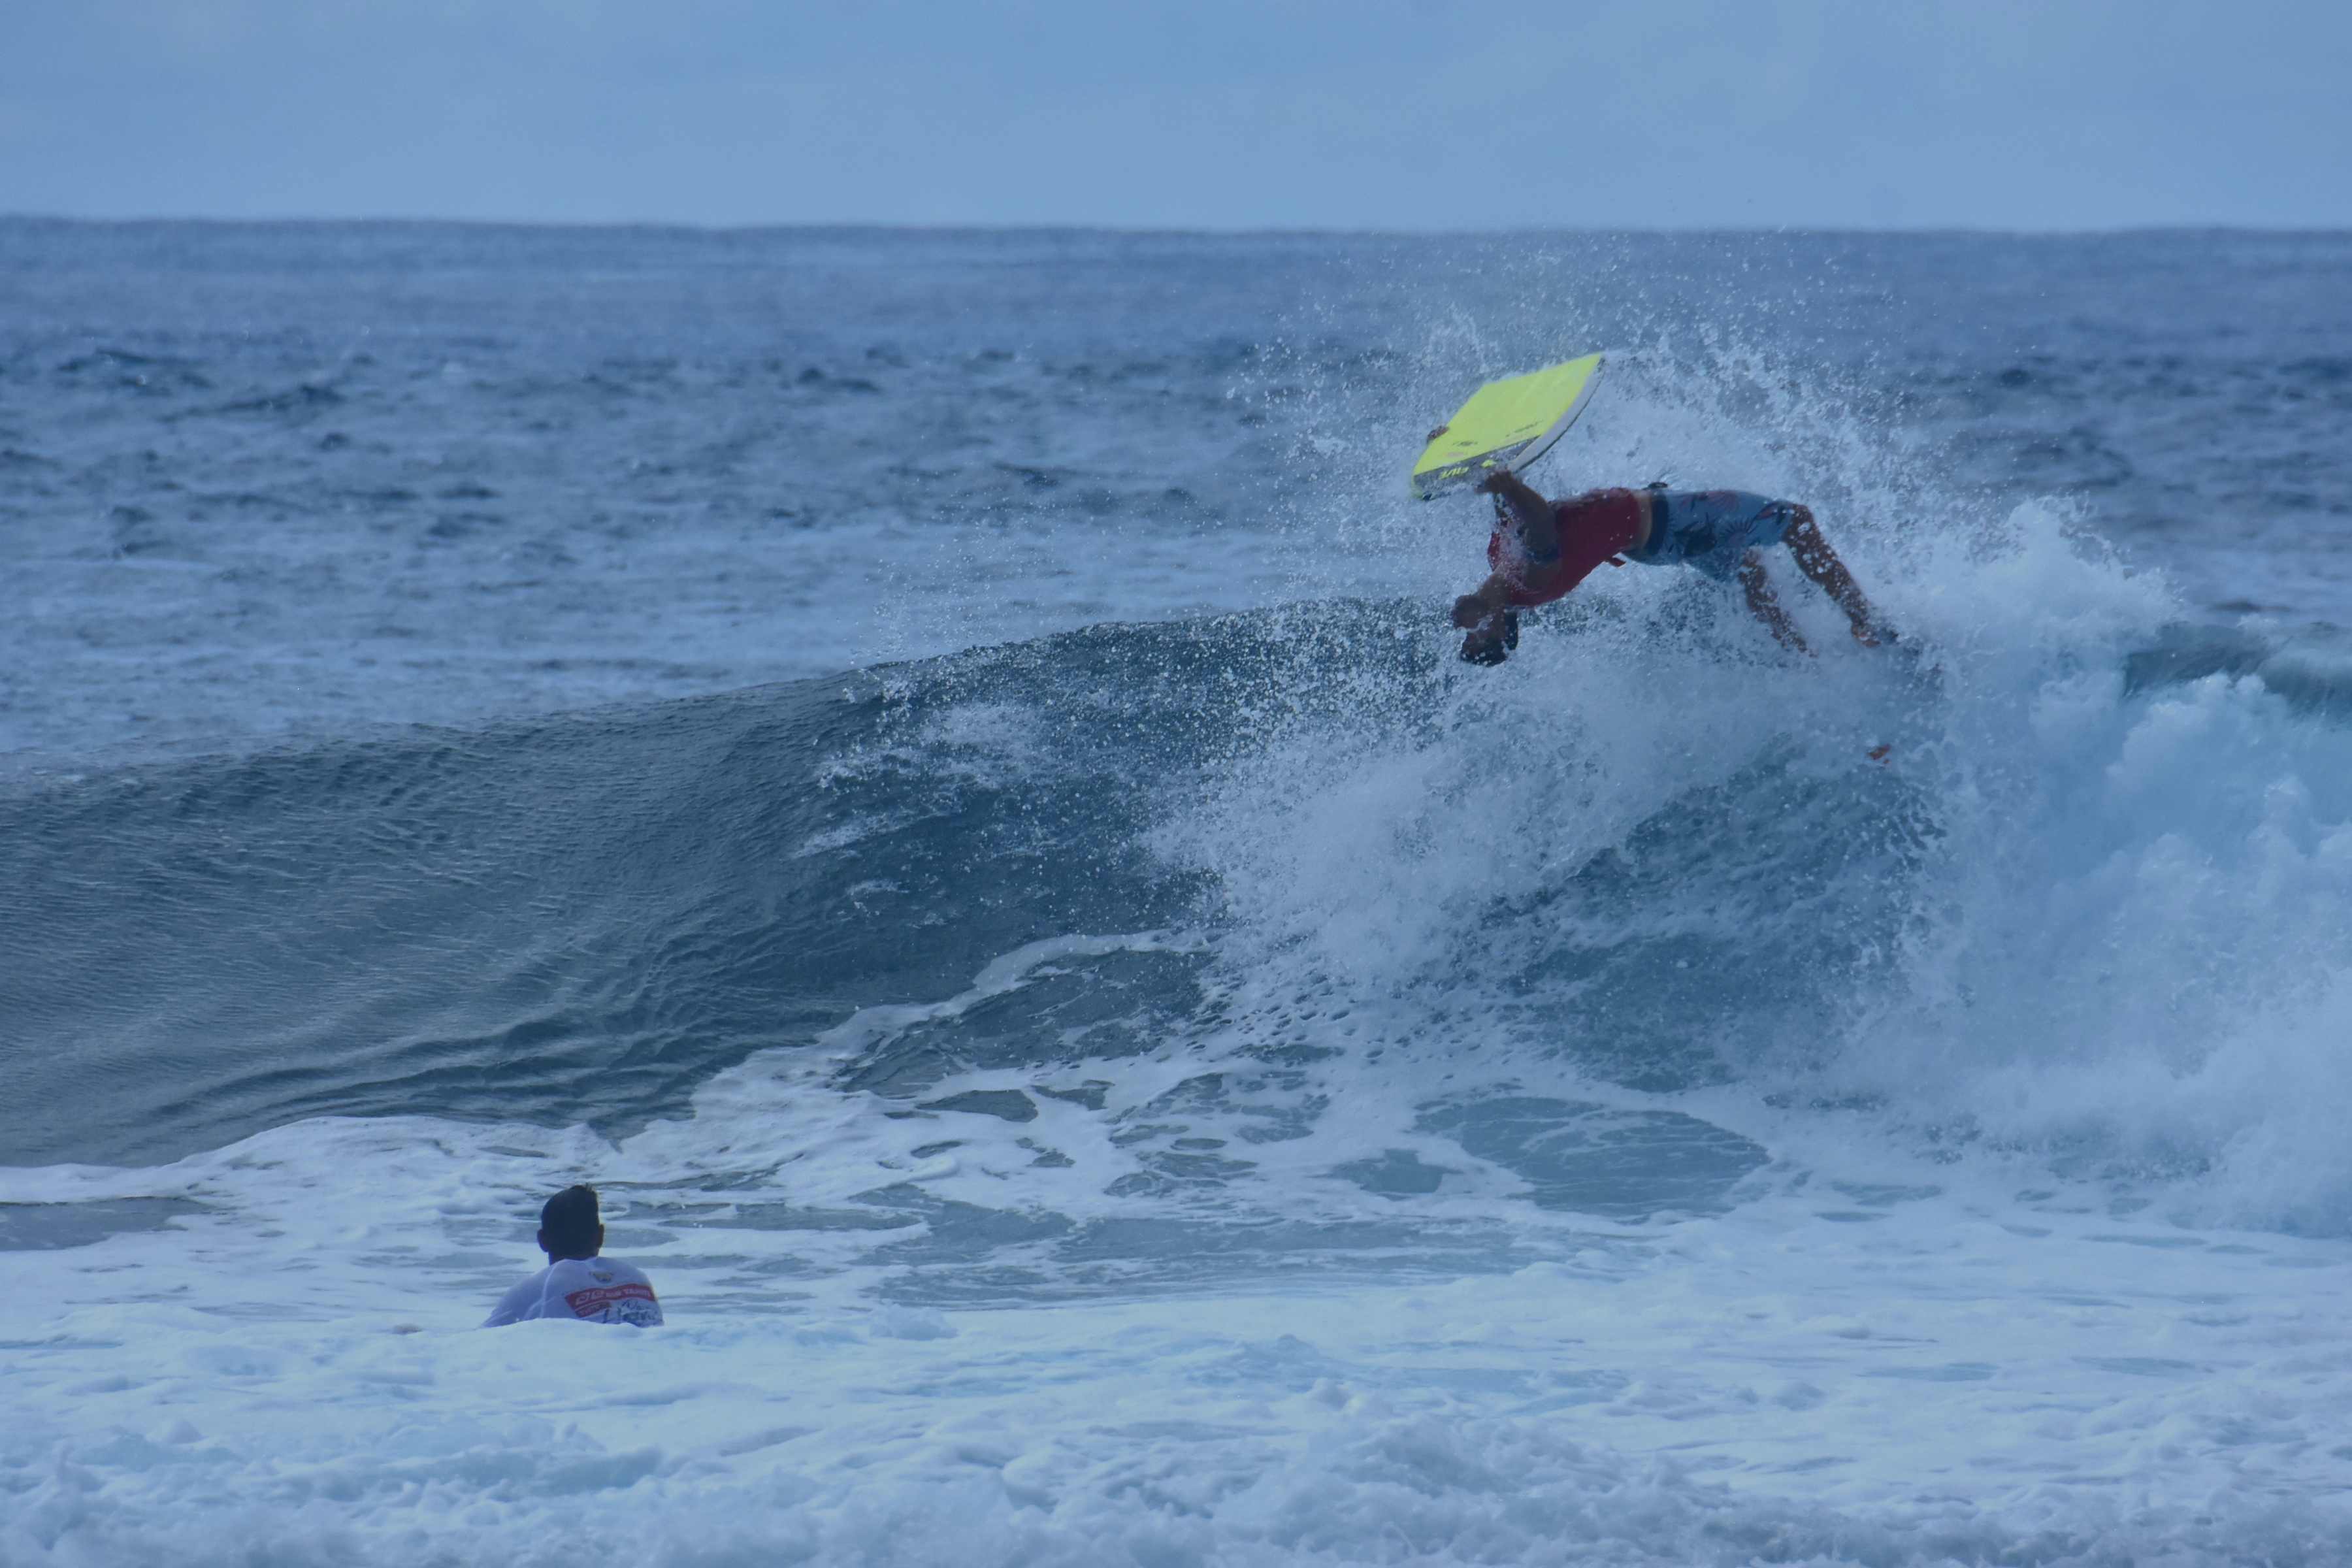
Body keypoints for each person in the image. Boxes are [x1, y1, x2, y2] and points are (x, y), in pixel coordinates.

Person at [1450, 470, 1893, 665]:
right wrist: (1508, 484)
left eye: (1468, 633)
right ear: (1499, 628)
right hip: (1672, 524)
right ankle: (1865, 622)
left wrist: (1466, 461)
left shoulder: (1500, 564)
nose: (1470, 627)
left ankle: (1804, 659)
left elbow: (1504, 503)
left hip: (1657, 541)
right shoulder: (1532, 583)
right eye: (1479, 636)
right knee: (1796, 521)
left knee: (1749, 572)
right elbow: (1542, 525)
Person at [483, 1184, 664, 1328]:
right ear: (600, 1236)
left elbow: (480, 1343)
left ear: (542, 1240)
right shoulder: (638, 1279)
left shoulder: (540, 1287)